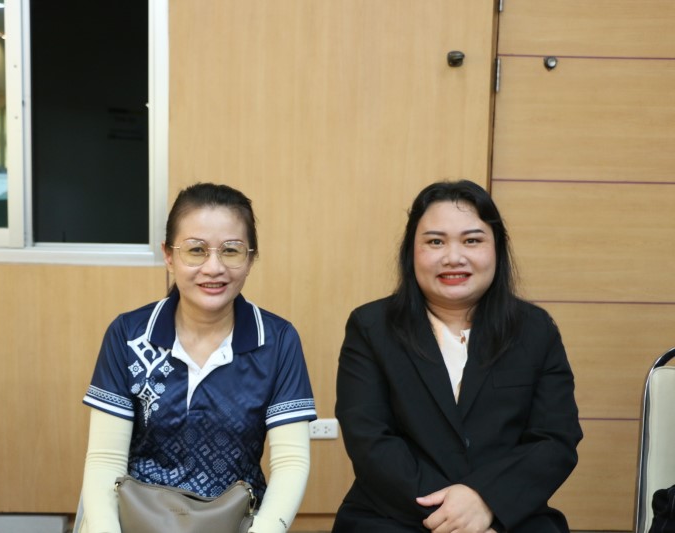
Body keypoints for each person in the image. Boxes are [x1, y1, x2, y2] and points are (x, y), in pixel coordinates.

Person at [332, 180, 582, 533]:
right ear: (411, 251)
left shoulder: (534, 329)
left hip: (506, 514)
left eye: (472, 240)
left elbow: (555, 439)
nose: (453, 257)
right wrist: (454, 516)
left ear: (497, 248)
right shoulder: (371, 327)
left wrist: (485, 502)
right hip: (395, 514)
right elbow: (369, 439)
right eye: (435, 242)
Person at [80, 182, 317, 533]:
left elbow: (291, 461)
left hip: (237, 523)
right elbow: (105, 459)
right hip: (136, 519)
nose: (214, 267)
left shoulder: (278, 341)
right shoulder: (128, 335)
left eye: (231, 251)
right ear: (169, 256)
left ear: (250, 258)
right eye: (196, 250)